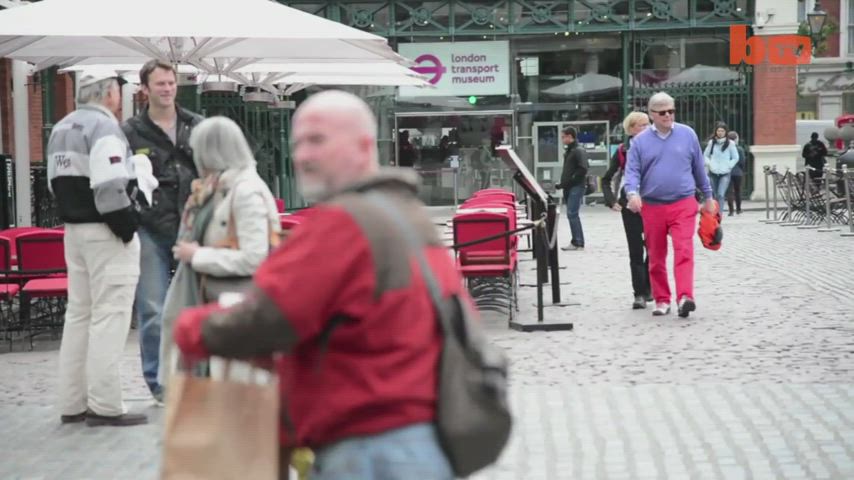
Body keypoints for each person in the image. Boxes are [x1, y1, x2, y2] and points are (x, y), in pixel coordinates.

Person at [173, 90, 464, 479]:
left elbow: (270, 316)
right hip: (414, 438)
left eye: (318, 140)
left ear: (364, 145)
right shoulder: (404, 214)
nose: (303, 155)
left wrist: (188, 327)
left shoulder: (344, 224)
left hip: (368, 445)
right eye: (297, 143)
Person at [48, 71, 147, 427]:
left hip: (73, 230)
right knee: (110, 315)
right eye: (118, 89)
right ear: (108, 92)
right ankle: (105, 404)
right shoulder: (105, 129)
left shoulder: (61, 128)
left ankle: (71, 402)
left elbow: (52, 182)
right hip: (105, 230)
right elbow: (109, 187)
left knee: (79, 315)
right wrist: (128, 228)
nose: (120, 95)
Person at [158, 117, 282, 384]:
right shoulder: (220, 187)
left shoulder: (245, 191)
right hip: (219, 302)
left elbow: (254, 258)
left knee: (235, 395)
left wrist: (198, 256)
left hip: (237, 306)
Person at [122, 59, 203, 403]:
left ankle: (197, 377)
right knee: (153, 308)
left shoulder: (195, 125)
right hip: (150, 228)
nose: (167, 89)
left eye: (171, 83)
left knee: (196, 305)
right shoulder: (130, 131)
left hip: (192, 225)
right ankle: (159, 383)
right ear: (144, 89)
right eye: (160, 84)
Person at [624, 92, 715, 318]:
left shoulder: (687, 134)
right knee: (656, 255)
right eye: (662, 112)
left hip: (683, 202)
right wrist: (632, 193)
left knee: (684, 249)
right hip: (652, 206)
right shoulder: (640, 142)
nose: (668, 115)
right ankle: (662, 299)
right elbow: (632, 172)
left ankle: (685, 297)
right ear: (652, 114)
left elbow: (698, 168)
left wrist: (709, 196)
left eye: (671, 111)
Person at [601, 111, 652, 309]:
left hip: (652, 204)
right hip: (629, 205)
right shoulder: (623, 151)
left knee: (654, 249)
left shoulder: (656, 147)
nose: (647, 129)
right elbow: (606, 179)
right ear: (631, 129)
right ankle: (639, 293)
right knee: (636, 251)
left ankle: (649, 287)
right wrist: (611, 200)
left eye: (648, 124)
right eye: (642, 125)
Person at [556, 126, 588, 251]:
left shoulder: (578, 151)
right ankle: (576, 240)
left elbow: (583, 168)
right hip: (570, 186)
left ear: (570, 136)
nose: (562, 139)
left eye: (563, 137)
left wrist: (571, 180)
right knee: (572, 214)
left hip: (576, 186)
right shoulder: (570, 151)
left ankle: (578, 242)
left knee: (572, 213)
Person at [703, 121, 738, 214]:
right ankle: (714, 214)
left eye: (722, 131)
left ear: (725, 132)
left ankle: (719, 215)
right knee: (714, 195)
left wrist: (729, 166)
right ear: (716, 131)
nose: (720, 133)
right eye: (718, 131)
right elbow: (705, 155)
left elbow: (735, 157)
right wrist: (709, 164)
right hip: (713, 172)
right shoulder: (712, 143)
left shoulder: (730, 143)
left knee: (721, 194)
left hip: (725, 173)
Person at [726, 131, 747, 216]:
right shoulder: (739, 149)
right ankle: (738, 209)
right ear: (736, 139)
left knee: (729, 192)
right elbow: (742, 161)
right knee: (738, 191)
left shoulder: (725, 149)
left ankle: (731, 211)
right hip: (738, 172)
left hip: (727, 172)